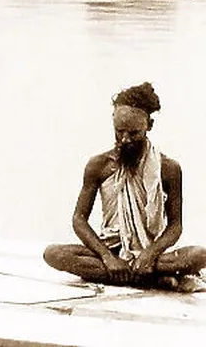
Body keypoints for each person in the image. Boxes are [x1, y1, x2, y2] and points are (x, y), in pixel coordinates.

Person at [43, 82, 206, 291]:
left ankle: (127, 274)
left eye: (134, 133)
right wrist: (107, 257)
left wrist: (149, 254)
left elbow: (175, 226)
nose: (125, 139)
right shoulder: (98, 165)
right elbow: (79, 220)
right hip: (109, 250)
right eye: (119, 132)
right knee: (54, 254)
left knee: (200, 255)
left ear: (149, 125)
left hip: (151, 253)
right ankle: (152, 279)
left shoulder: (168, 168)